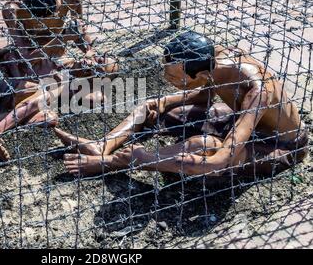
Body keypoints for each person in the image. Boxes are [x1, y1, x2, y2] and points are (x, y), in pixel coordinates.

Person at [55, 30, 308, 177]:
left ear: (198, 75)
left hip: (279, 145)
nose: (167, 79)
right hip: (240, 122)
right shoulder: (214, 60)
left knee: (204, 146)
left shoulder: (255, 91)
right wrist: (157, 102)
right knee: (158, 109)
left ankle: (111, 162)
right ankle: (103, 145)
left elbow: (220, 161)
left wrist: (146, 157)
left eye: (173, 77)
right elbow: (203, 97)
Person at [0, 0, 118, 162]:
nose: (93, 62)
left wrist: (88, 52)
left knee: (47, 115)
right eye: (99, 60)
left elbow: (82, 36)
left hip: (14, 85)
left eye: (97, 67)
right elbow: (24, 56)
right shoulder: (13, 12)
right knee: (38, 97)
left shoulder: (70, 3)